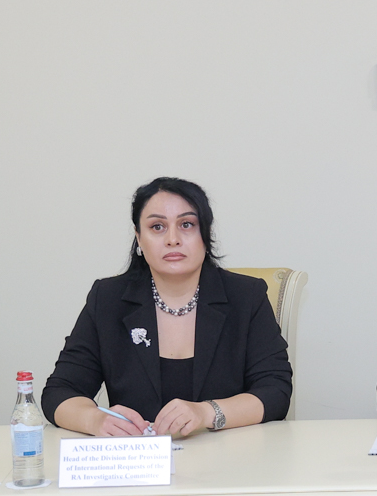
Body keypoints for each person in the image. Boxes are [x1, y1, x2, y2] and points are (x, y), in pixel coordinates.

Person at [43, 177, 291, 437]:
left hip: (229, 455)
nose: (173, 239)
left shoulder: (246, 296)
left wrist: (206, 412)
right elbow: (60, 392)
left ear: (206, 234)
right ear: (139, 238)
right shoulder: (108, 299)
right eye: (157, 227)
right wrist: (94, 420)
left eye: (187, 224)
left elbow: (275, 391)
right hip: (139, 458)